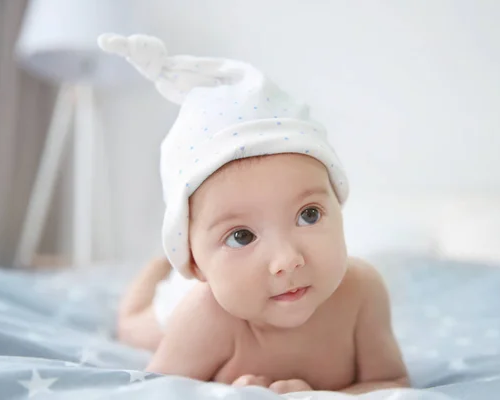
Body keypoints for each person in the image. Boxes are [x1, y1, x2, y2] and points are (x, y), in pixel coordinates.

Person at [99, 33, 409, 395]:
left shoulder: (362, 292)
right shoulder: (202, 317)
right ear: (195, 263)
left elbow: (391, 384)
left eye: (308, 215)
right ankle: (155, 269)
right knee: (136, 329)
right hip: (183, 308)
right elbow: (156, 391)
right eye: (241, 236)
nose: (287, 260)